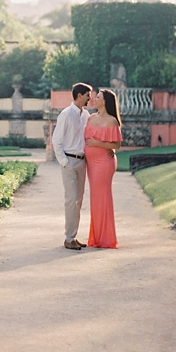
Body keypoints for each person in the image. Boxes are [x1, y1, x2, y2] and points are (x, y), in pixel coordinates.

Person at [52, 82, 95, 250]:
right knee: (71, 200)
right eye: (87, 95)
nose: (89, 99)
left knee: (79, 200)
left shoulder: (86, 116)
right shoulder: (66, 114)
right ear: (79, 95)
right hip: (69, 162)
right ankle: (68, 238)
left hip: (82, 162)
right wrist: (64, 163)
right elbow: (56, 141)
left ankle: (73, 236)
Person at [84, 88, 123, 249]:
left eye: (97, 97)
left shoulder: (112, 121)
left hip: (104, 164)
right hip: (91, 165)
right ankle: (97, 237)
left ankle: (106, 238)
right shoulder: (91, 117)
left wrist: (96, 144)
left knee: (103, 198)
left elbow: (117, 145)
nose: (94, 99)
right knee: (95, 199)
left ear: (105, 101)